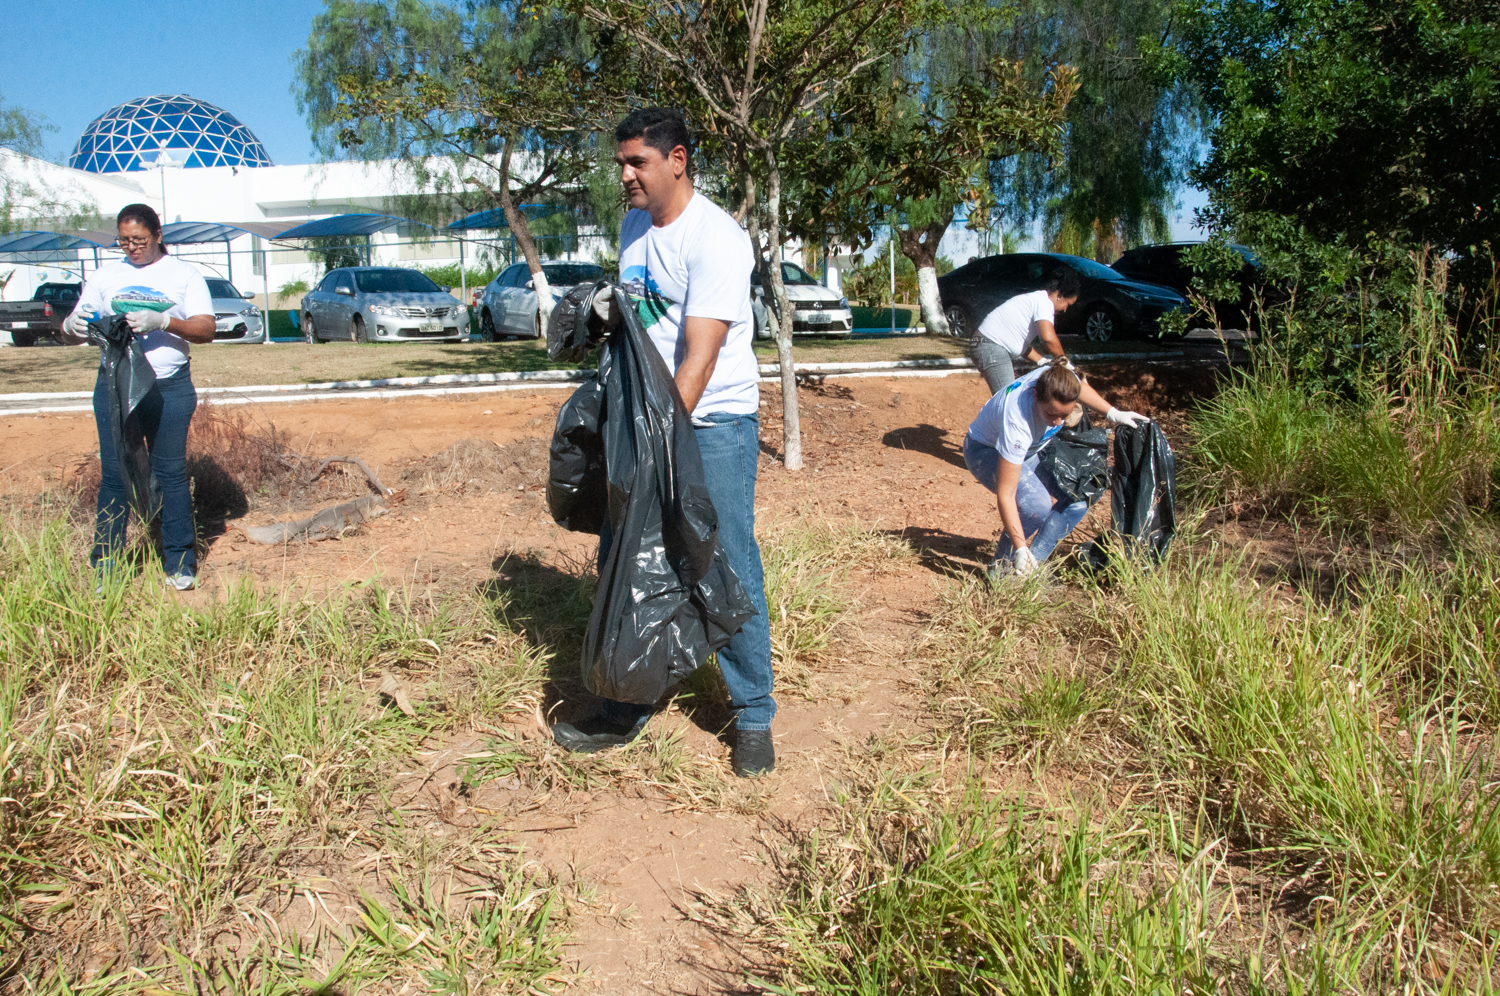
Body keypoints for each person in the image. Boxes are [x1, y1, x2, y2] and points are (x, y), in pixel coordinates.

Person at [549, 108, 776, 777]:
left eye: (636, 163)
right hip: (647, 419)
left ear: (677, 159)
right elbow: (647, 320)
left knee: (723, 558)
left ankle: (754, 714)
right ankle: (630, 699)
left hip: (713, 426)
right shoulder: (634, 227)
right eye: (621, 163)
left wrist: (656, 450)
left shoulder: (718, 240)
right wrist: (606, 311)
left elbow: (698, 361)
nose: (625, 175)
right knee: (631, 553)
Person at [62, 203, 216, 590]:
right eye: (124, 240)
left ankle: (179, 560)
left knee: (170, 473)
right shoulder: (105, 275)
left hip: (169, 388)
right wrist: (71, 325)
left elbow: (206, 329)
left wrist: (165, 321)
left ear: (158, 235)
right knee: (116, 475)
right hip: (116, 387)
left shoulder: (183, 274)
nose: (131, 248)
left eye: (139, 240)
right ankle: (106, 567)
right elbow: (76, 326)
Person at [964, 359, 1148, 577]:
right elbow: (1007, 494)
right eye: (1052, 414)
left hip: (1032, 450)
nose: (1058, 422)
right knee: (1036, 506)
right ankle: (1002, 567)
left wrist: (1113, 413)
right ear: (1035, 397)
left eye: (1065, 415)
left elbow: (1079, 388)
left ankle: (1032, 568)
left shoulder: (1055, 379)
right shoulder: (1018, 422)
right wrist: (1020, 547)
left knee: (1080, 495)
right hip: (985, 450)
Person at [971, 269, 1081, 394]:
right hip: (990, 346)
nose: (1065, 310)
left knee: (1007, 398)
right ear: (1059, 295)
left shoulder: (1038, 299)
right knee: (1007, 398)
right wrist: (1065, 363)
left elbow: (1018, 342)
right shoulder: (1045, 303)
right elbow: (1048, 339)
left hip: (985, 344)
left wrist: (1041, 360)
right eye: (1068, 304)